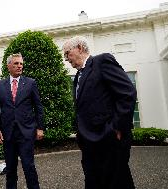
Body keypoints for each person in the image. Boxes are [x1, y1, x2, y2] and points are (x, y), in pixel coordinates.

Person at [62, 36, 137, 189]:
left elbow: (127, 93)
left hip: (108, 139)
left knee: (117, 182)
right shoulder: (77, 77)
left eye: (67, 53)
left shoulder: (102, 61)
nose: (65, 58)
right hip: (88, 142)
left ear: (80, 48)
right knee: (93, 181)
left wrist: (117, 127)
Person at [0, 53, 44, 189]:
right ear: (8, 65)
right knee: (10, 169)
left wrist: (40, 127)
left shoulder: (31, 83)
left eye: (21, 63)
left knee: (29, 166)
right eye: (16, 63)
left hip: (26, 132)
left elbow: (38, 106)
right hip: (7, 134)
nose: (19, 66)